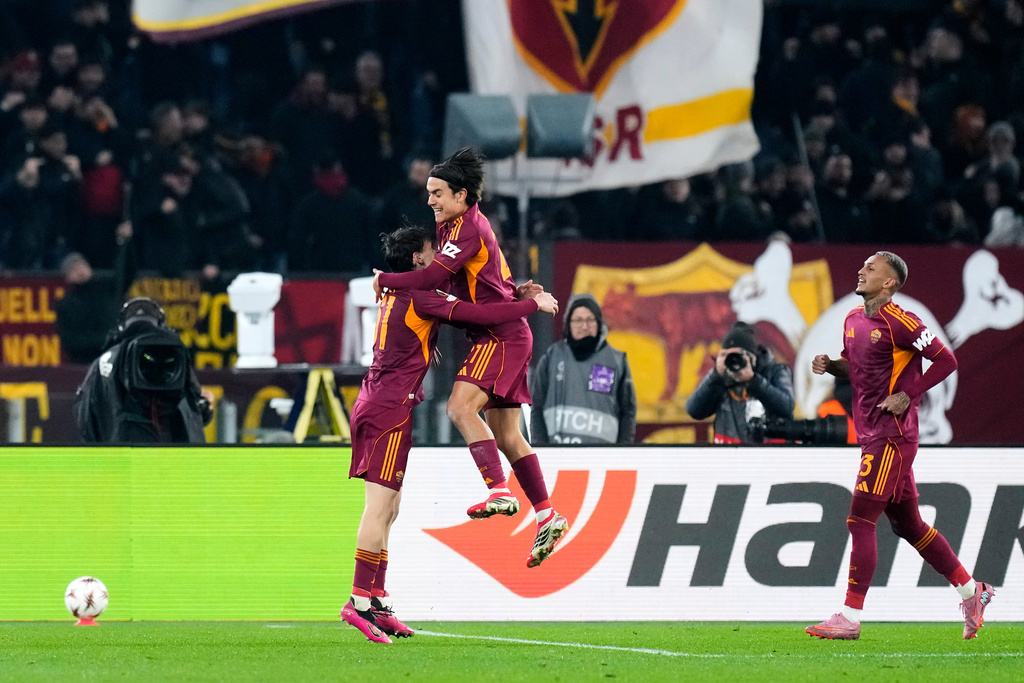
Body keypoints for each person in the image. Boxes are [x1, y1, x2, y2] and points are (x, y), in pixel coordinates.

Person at [342, 225, 558, 644]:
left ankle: (378, 599)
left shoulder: (396, 293)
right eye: (433, 251)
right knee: (378, 508)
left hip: (380, 403)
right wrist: (531, 305)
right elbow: (482, 316)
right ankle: (358, 602)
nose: (442, 256)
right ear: (418, 262)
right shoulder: (423, 296)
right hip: (389, 409)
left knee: (389, 510)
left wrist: (511, 292)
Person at [372, 147, 569, 569]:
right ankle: (548, 514)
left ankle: (499, 491)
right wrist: (517, 294)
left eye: (438, 193)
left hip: (499, 336)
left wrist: (384, 279)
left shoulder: (465, 230)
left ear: (462, 195)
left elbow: (429, 278)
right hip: (503, 332)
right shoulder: (455, 228)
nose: (430, 201)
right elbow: (487, 279)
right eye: (429, 193)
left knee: (460, 408)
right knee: (508, 437)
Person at [805, 251, 993, 641]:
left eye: (871, 268)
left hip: (892, 436)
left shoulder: (902, 321)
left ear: (889, 282)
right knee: (909, 524)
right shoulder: (853, 320)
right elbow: (857, 365)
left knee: (860, 520)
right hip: (871, 433)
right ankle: (972, 591)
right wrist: (832, 365)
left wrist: (908, 393)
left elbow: (946, 361)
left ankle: (851, 617)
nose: (861, 270)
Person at [72, 297, 213, 443]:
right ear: (160, 324)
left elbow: (85, 417)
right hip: (172, 456)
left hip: (121, 455)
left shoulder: (104, 361)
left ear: (123, 325)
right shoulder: (175, 353)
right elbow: (198, 412)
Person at [530, 294, 636, 445]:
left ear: (599, 323)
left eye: (590, 320)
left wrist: (622, 451)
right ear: (568, 324)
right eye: (578, 320)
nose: (584, 326)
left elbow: (628, 413)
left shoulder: (617, 361)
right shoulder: (551, 357)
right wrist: (540, 449)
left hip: (603, 459)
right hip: (556, 457)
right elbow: (537, 409)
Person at [685, 321, 795, 444]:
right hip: (731, 457)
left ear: (754, 356)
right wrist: (715, 374)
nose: (736, 361)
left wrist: (753, 381)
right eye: (730, 355)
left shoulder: (776, 371)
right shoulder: (720, 378)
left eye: (742, 355)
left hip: (771, 457)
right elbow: (694, 411)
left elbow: (786, 408)